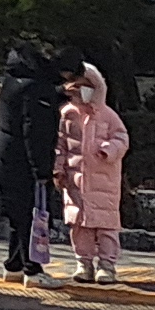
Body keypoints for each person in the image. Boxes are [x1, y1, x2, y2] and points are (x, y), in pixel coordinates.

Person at [0, 41, 65, 278]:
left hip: (6, 157)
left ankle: (13, 265)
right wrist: (42, 171)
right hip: (24, 162)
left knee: (18, 215)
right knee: (31, 215)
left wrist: (57, 96)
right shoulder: (37, 89)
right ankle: (33, 271)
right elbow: (36, 134)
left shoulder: (14, 80)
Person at [56, 61, 132, 283]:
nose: (80, 91)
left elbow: (122, 138)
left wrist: (108, 150)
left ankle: (107, 265)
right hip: (75, 181)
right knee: (79, 226)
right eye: (76, 86)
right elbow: (60, 144)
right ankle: (84, 263)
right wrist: (58, 169)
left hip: (104, 181)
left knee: (106, 225)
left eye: (85, 86)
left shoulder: (107, 115)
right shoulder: (67, 114)